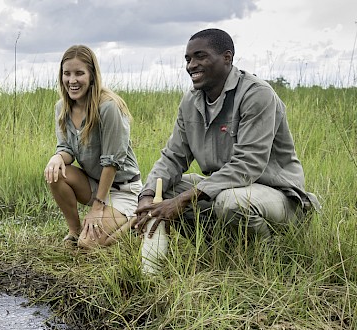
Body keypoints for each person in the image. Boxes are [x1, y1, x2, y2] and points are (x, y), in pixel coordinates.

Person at [135, 28, 319, 245]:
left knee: (231, 203)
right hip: (224, 189)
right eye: (188, 59)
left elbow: (248, 164)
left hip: (276, 195)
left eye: (200, 56)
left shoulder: (256, 94)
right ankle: (221, 246)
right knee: (165, 190)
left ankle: (271, 253)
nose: (191, 65)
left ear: (227, 58)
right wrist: (147, 196)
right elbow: (172, 157)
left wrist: (183, 200)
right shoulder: (190, 101)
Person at [44, 45, 142, 249]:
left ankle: (135, 219)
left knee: (88, 245)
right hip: (94, 183)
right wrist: (57, 157)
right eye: (67, 73)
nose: (72, 80)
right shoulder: (61, 107)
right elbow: (66, 149)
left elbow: (112, 163)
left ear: (92, 75)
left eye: (79, 73)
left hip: (122, 188)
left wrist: (97, 207)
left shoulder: (109, 107)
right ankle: (74, 231)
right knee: (55, 172)